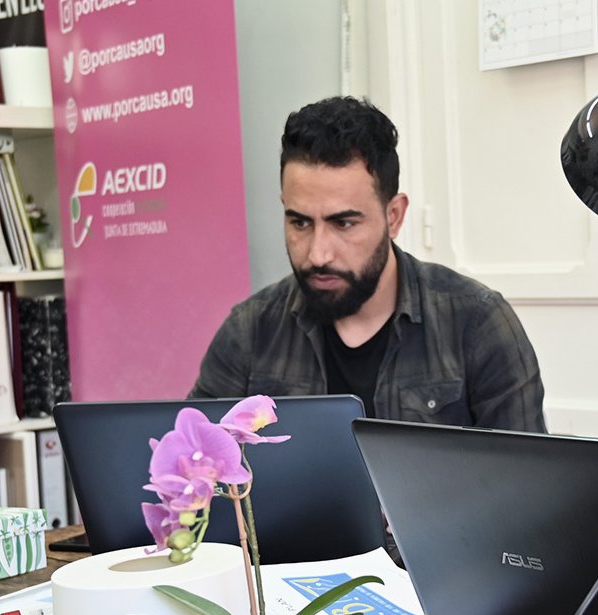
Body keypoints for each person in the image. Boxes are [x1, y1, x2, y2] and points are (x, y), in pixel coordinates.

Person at [192, 96, 547, 432]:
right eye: (299, 222)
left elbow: (530, 484)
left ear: (394, 216)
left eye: (343, 224)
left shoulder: (476, 324)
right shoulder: (250, 332)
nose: (318, 255)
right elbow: (188, 471)